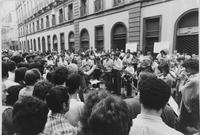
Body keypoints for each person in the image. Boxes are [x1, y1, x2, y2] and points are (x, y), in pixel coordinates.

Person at [177, 58, 199, 134]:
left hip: (189, 111)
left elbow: (181, 91)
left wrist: (182, 80)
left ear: (190, 68)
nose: (186, 69)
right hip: (196, 109)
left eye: (187, 68)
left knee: (185, 129)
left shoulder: (193, 80)